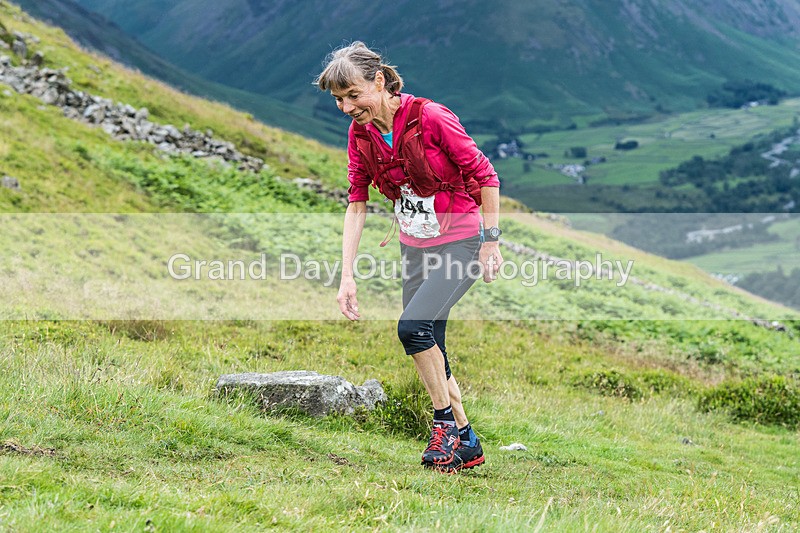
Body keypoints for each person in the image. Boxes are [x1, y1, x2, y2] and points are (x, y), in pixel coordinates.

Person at [315, 42, 503, 472]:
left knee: (412, 327)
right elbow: (357, 202)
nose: (346, 107)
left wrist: (491, 240)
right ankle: (467, 441)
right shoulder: (359, 134)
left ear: (378, 82)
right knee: (429, 339)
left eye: (353, 95)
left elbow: (486, 174)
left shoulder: (430, 118)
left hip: (462, 239)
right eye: (338, 100)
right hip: (415, 244)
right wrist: (347, 276)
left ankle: (443, 426)